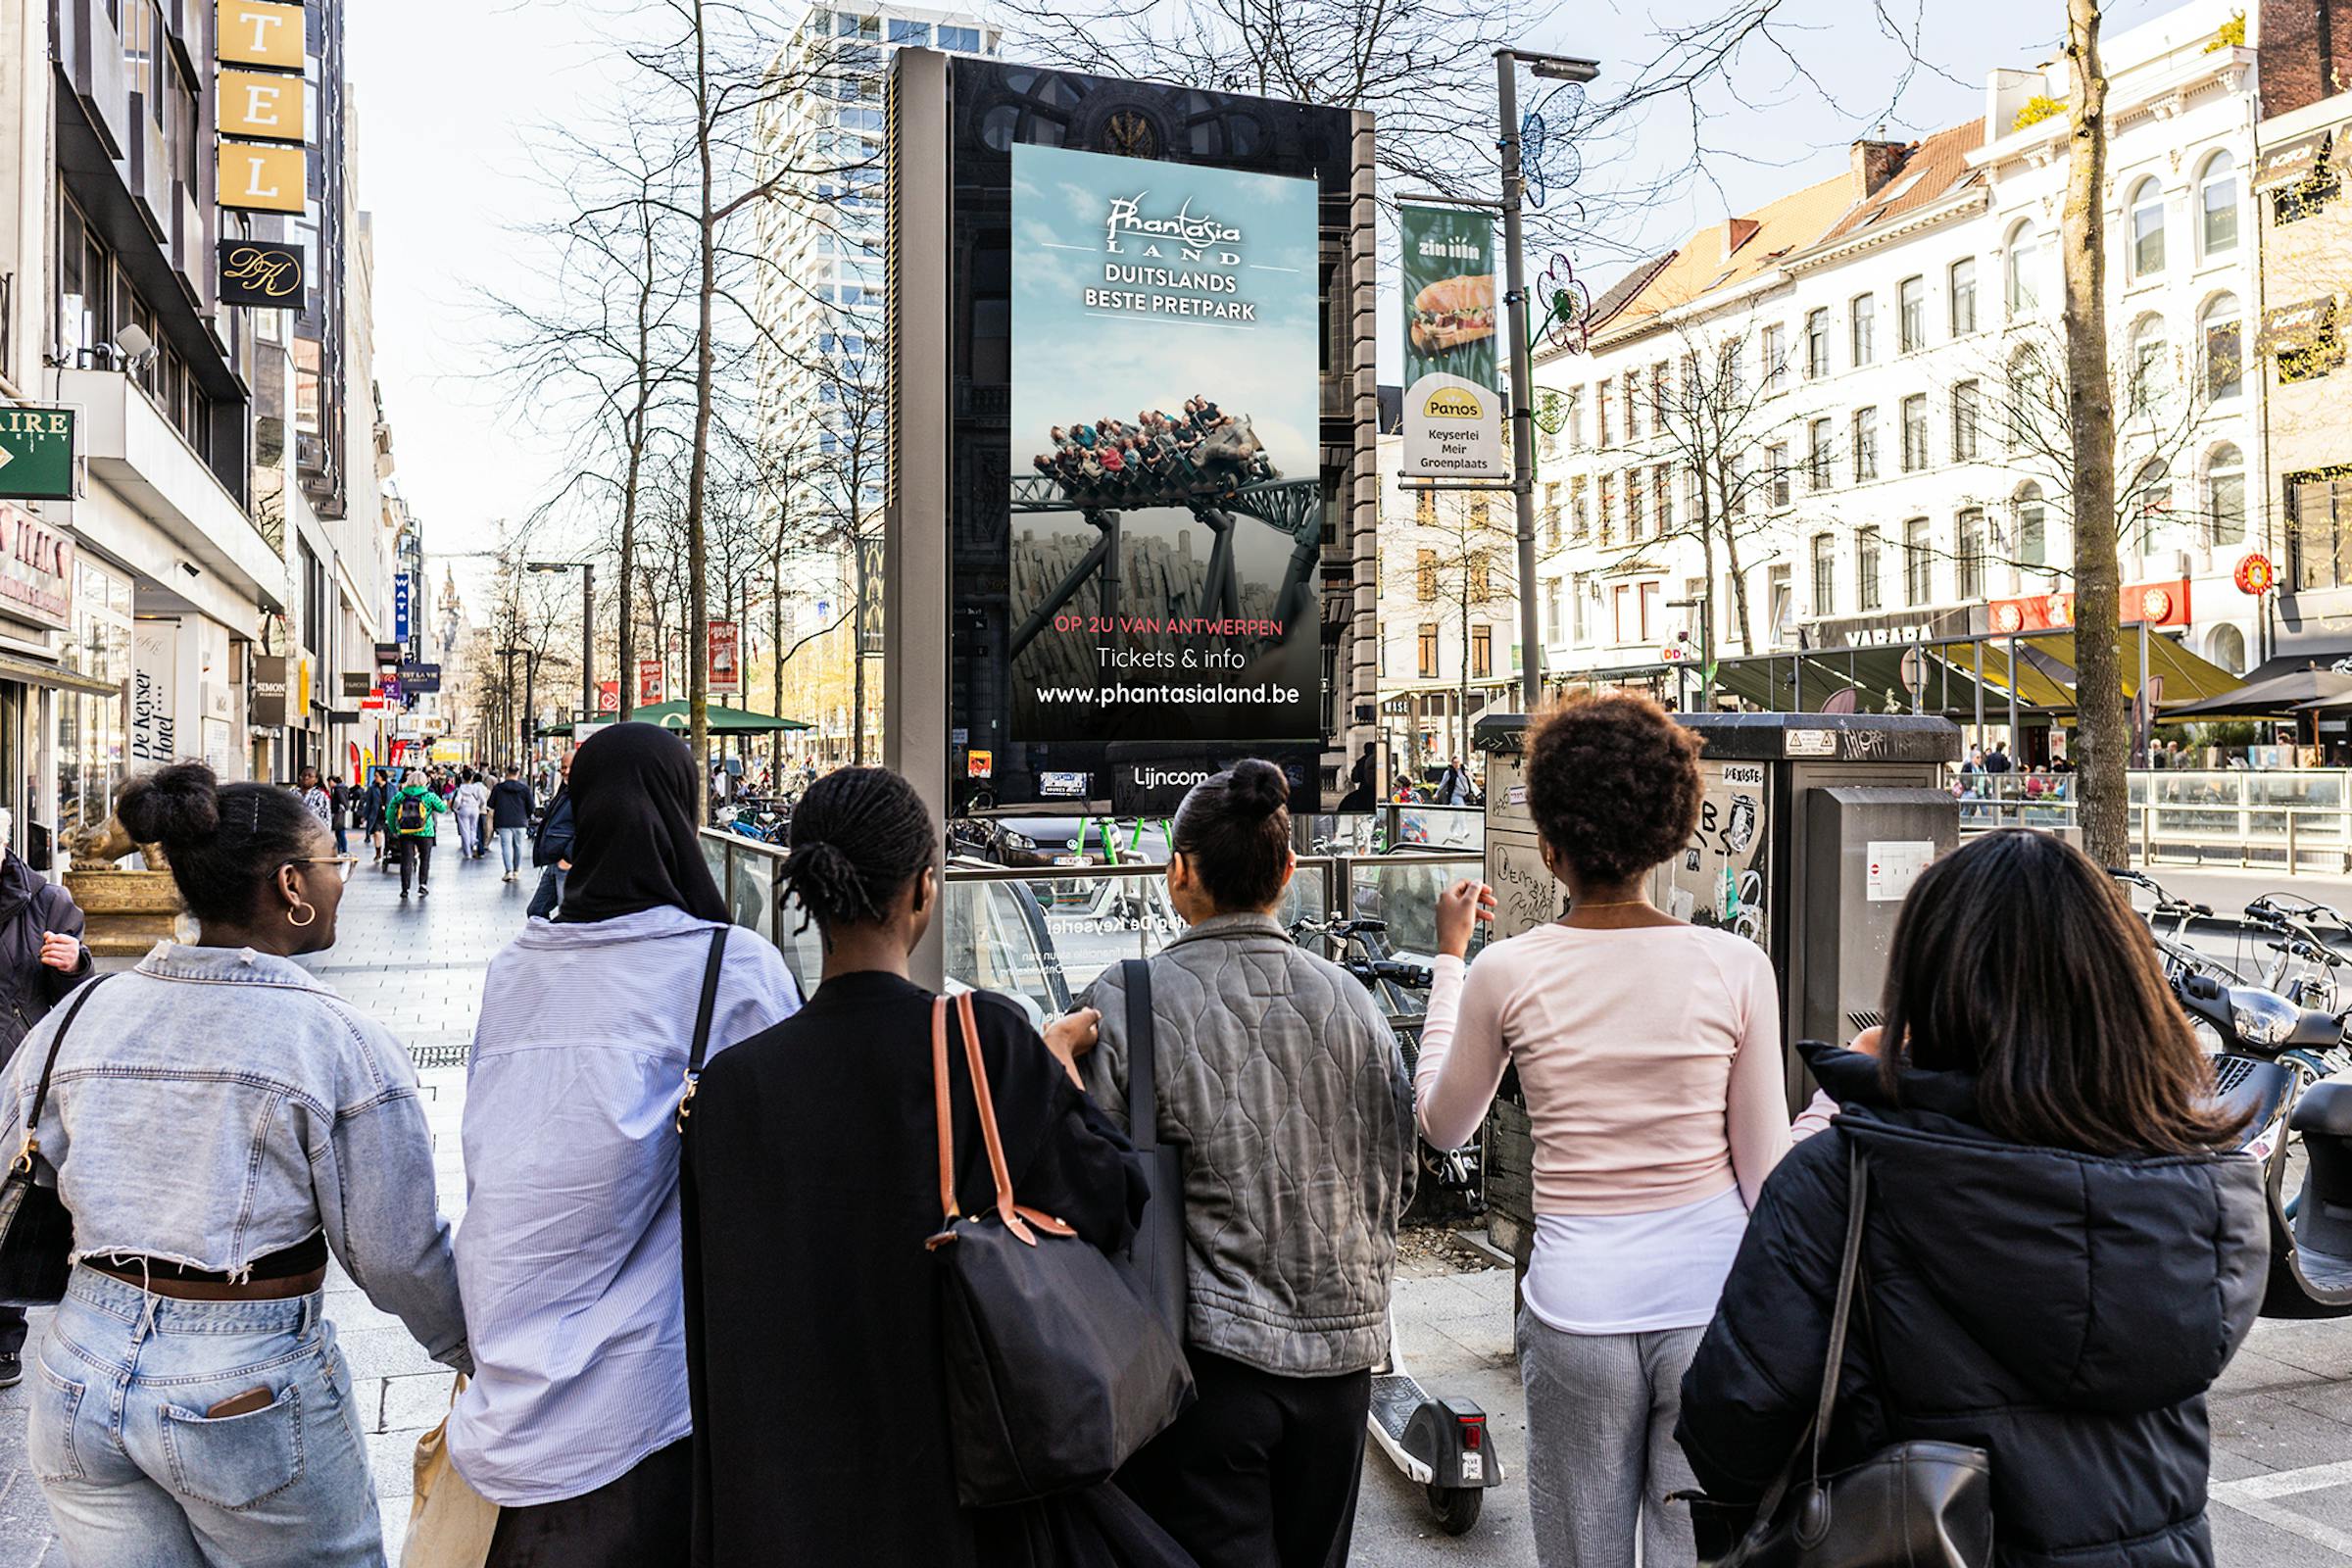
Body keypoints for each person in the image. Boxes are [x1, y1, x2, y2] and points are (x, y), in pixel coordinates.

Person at [1677, 829, 2262, 1568]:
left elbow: (1732, 1428)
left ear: (1928, 985)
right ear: (2123, 989)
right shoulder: (2203, 1179)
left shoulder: (1843, 1178)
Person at [680, 766, 1177, 1567]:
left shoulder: (730, 1091)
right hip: (961, 1510)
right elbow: (1115, 1199)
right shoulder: (983, 1041)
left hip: (788, 1516)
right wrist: (1054, 1076)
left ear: (808, 894)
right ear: (923, 890)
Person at [8, 761, 466, 1567]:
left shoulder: (84, 1011)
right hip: (244, 1384)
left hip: (79, 1368)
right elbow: (396, 1255)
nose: (341, 880)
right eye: (335, 863)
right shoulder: (336, 1040)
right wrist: (474, 1353)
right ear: (290, 884)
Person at [1414, 693, 1788, 1568]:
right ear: (1673, 831)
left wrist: (1448, 961)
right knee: (1693, 1549)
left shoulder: (1505, 972)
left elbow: (1440, 1125)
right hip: (1707, 1305)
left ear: (1549, 842)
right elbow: (1767, 1178)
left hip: (1578, 1307)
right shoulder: (1737, 966)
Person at [446, 722, 799, 1566]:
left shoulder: (515, 969)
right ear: (683, 814)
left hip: (505, 1394)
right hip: (656, 1398)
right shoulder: (733, 968)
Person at [1078, 760, 1414, 1568]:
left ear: (1178, 874)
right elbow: (1397, 1177)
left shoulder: (1129, 999)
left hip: (1207, 1372)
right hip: (1343, 1371)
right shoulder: (1356, 1003)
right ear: (1288, 873)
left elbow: (1096, 1194)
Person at [0, 844, 89, 1387]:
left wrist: (74, 962)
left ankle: (4, 1335)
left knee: (6, 1201)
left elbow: (75, 994)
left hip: (12, 1072)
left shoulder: (46, 900)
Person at [386, 768, 448, 900]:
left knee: (406, 860)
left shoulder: (400, 795)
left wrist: (393, 829)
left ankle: (405, 888)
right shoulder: (429, 795)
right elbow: (442, 808)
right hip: (425, 831)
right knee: (424, 859)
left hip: (405, 831)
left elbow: (390, 812)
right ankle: (423, 885)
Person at [530, 750, 577, 919]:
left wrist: (568, 858)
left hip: (566, 864)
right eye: (562, 768)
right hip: (555, 862)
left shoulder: (584, 792)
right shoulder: (565, 791)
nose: (564, 771)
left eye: (568, 767)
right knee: (535, 911)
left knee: (568, 917)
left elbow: (587, 827)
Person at [489, 764, 535, 884]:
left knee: (506, 846)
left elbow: (491, 804)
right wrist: (527, 815)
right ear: (518, 773)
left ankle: (508, 871)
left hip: (503, 821)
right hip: (520, 821)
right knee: (519, 846)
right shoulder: (524, 788)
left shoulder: (498, 788)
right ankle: (516, 869)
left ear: (507, 773)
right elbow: (532, 806)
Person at [455, 769, 491, 859]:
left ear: (463, 778)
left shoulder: (461, 788)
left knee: (464, 830)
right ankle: (473, 840)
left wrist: (456, 808)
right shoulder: (476, 788)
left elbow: (457, 800)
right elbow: (483, 800)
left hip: (464, 809)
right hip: (475, 809)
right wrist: (479, 805)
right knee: (473, 828)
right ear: (471, 778)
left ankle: (468, 852)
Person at [1335, 742, 1378, 812]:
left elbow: (1354, 777)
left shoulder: (1362, 761)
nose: (1374, 772)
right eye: (1371, 769)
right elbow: (1354, 777)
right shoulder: (1352, 801)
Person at [363, 768, 391, 867]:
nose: (375, 778)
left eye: (377, 776)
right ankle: (378, 852)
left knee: (389, 836)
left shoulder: (392, 788)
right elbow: (368, 803)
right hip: (376, 815)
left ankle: (386, 851)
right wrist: (364, 816)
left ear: (382, 777)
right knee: (377, 833)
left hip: (389, 815)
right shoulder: (372, 788)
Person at [296, 765, 332, 832]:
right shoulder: (291, 793)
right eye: (304, 775)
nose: (306, 778)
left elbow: (327, 819)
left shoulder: (321, 796)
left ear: (316, 780)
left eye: (310, 776)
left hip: (313, 834)